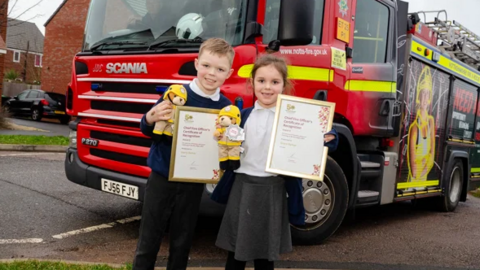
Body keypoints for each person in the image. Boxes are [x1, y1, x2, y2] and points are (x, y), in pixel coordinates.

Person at [214, 54, 338, 270]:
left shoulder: (295, 118)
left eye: (274, 82)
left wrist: (330, 136)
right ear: (252, 83)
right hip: (242, 187)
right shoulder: (242, 115)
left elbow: (322, 136)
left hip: (273, 189)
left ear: (284, 85)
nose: (267, 87)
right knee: (235, 254)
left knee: (265, 255)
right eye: (261, 81)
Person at [133, 37, 235, 270]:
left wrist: (226, 144)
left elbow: (227, 150)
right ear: (196, 63)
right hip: (161, 178)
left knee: (182, 241)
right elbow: (148, 128)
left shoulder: (227, 108)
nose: (211, 73)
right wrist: (150, 117)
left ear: (228, 73)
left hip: (193, 183)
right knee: (148, 240)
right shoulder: (177, 93)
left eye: (220, 69)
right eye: (207, 66)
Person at [407, 66, 435, 182]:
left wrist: (424, 168)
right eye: (423, 93)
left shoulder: (430, 122)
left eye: (427, 94)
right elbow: (413, 165)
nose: (424, 97)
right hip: (415, 179)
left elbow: (432, 154)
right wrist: (419, 174)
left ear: (429, 98)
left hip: (423, 176)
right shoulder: (414, 128)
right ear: (418, 96)